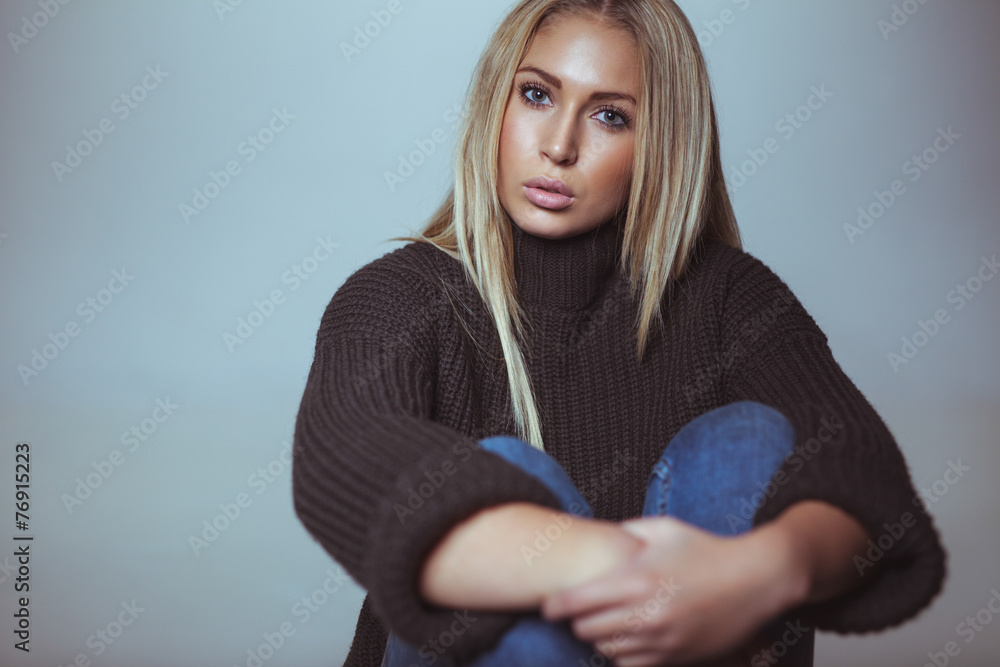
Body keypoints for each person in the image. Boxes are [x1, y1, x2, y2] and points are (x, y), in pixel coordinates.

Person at [291, 1, 947, 665]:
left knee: (746, 443)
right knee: (509, 470)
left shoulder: (731, 298)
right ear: (497, 102)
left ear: (660, 141)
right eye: (537, 94)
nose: (559, 145)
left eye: (610, 115)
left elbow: (865, 477)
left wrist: (748, 576)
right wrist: (630, 570)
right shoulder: (401, 295)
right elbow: (347, 462)